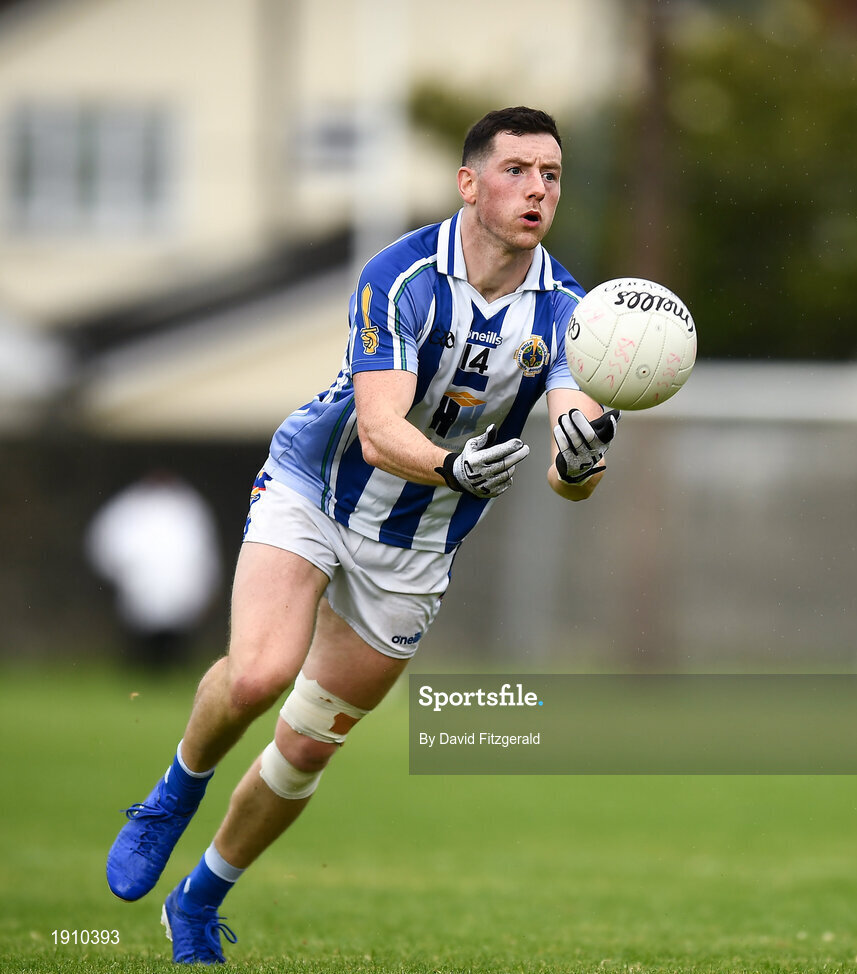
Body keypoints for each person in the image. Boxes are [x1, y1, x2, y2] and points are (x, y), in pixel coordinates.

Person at [105, 106, 620, 964]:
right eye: (518, 170)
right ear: (469, 183)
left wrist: (582, 456)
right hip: (316, 489)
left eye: (552, 175)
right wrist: (455, 469)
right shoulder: (400, 274)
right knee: (261, 673)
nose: (538, 189)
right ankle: (173, 791)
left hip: (417, 547)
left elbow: (575, 478)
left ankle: (197, 900)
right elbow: (380, 430)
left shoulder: (572, 313)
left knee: (308, 748)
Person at [85, 470, 221, 670]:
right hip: (141, 588)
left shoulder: (187, 507)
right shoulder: (132, 507)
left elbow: (201, 551)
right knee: (144, 646)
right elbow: (105, 542)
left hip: (178, 591)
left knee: (174, 646)